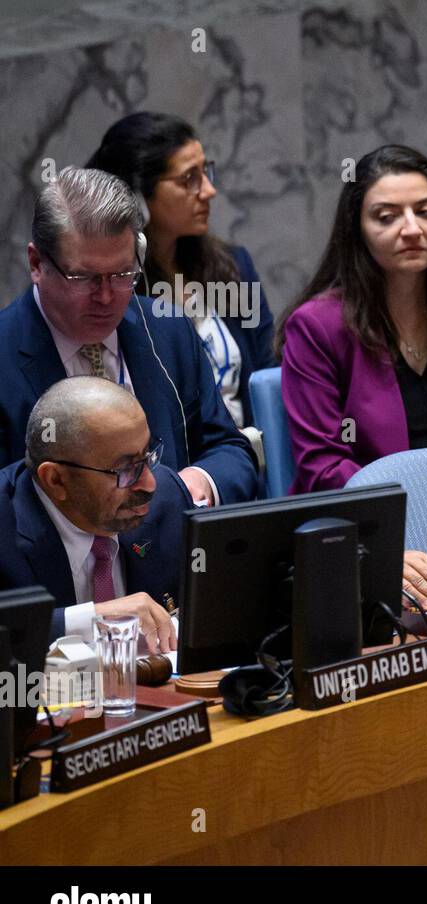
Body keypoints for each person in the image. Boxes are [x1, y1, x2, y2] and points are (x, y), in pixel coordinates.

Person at [0, 166, 258, 506]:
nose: (106, 297)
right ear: (36, 263)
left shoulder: (168, 330)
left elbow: (229, 449)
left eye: (123, 275)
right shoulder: (6, 353)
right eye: (84, 278)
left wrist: (201, 481)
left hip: (174, 551)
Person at [276, 144, 427, 494]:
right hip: (369, 525)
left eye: (425, 212)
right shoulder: (317, 327)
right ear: (356, 230)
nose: (412, 229)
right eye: (387, 217)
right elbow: (324, 467)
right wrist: (413, 518)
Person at [87, 112, 276, 430]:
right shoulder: (115, 290)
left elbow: (267, 374)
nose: (208, 190)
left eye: (206, 172)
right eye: (189, 178)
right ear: (137, 195)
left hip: (250, 462)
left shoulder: (232, 266)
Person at [0, 377, 189, 651]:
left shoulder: (167, 500)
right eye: (124, 470)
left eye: (147, 456)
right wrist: (92, 619)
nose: (149, 484)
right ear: (56, 480)